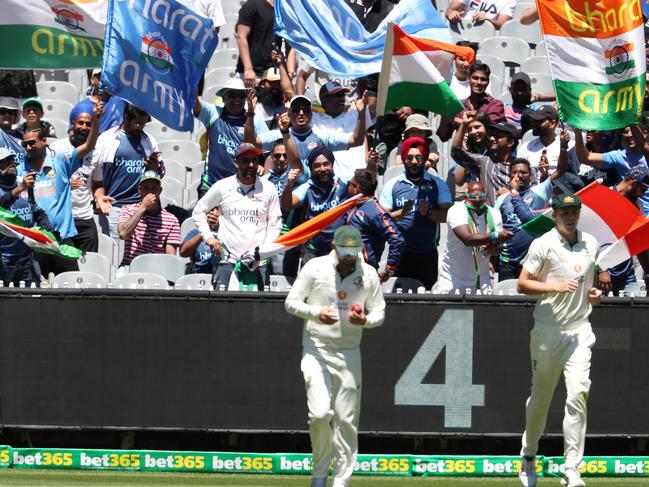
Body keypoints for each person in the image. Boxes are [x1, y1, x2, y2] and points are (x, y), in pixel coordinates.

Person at [285, 225, 385, 487]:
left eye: (354, 251)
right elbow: (291, 302)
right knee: (319, 414)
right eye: (344, 251)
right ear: (334, 247)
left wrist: (364, 320)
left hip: (349, 352)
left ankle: (340, 481)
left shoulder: (369, 273)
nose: (349, 257)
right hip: (316, 348)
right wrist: (317, 314)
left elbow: (379, 313)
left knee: (346, 420)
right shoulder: (315, 268)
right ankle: (319, 475)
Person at [517, 193, 602, 487]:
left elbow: (589, 286)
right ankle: (528, 456)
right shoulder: (543, 244)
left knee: (578, 394)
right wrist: (553, 287)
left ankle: (571, 468)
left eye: (574, 211)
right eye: (564, 211)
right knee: (541, 398)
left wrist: (595, 296)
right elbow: (522, 283)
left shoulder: (590, 243)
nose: (569, 215)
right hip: (547, 330)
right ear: (555, 215)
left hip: (580, 331)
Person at [18, 101, 104, 277]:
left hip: (62, 239)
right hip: (36, 240)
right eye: (25, 144)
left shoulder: (61, 162)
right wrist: (21, 186)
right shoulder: (20, 170)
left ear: (44, 141)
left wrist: (96, 121)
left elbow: (88, 146)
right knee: (37, 291)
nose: (29, 147)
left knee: (70, 288)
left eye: (33, 143)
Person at [192, 142, 282, 289]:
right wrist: (208, 238)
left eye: (254, 160)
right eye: (245, 161)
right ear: (236, 163)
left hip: (258, 262)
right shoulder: (223, 186)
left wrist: (263, 250)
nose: (251, 165)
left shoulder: (269, 188)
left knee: (257, 310)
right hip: (227, 261)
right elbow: (198, 211)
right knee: (223, 309)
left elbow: (275, 223)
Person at [379, 137, 452, 289]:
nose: (413, 162)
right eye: (409, 157)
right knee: (400, 299)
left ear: (425, 158)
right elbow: (382, 219)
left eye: (418, 158)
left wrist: (429, 213)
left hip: (427, 254)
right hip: (400, 253)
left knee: (425, 300)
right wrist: (402, 212)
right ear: (404, 159)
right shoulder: (392, 185)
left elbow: (448, 216)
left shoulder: (438, 184)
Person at [92, 103, 163, 242]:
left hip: (141, 207)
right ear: (126, 118)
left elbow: (161, 172)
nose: (140, 128)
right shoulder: (107, 139)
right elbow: (96, 175)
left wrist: (155, 169)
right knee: (116, 252)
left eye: (143, 124)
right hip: (114, 208)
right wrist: (99, 198)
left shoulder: (149, 140)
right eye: (137, 124)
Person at [495, 146, 568, 280]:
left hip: (535, 261)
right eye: (515, 172)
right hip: (508, 262)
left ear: (531, 175)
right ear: (509, 175)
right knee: (507, 300)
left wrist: (563, 146)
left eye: (523, 172)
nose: (519, 175)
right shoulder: (501, 199)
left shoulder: (540, 190)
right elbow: (497, 227)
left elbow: (560, 170)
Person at [433, 181, 511, 294]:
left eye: (481, 196)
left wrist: (497, 245)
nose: (478, 200)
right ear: (466, 195)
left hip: (482, 281)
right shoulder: (456, 210)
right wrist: (496, 236)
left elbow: (495, 252)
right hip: (453, 280)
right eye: (473, 196)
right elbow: (467, 239)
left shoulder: (494, 214)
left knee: (481, 311)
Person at [194, 77, 270, 192]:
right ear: (224, 98)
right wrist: (193, 75)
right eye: (232, 95)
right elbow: (193, 101)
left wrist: (262, 166)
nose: (237, 99)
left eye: (241, 96)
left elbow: (268, 151)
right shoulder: (213, 113)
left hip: (241, 190)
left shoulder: (255, 120)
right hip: (211, 186)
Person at [281, 146, 353, 262]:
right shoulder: (307, 188)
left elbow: (366, 187)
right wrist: (289, 185)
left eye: (326, 164)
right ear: (311, 169)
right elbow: (286, 206)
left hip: (341, 249)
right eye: (317, 166)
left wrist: (371, 166)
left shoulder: (344, 183)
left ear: (332, 165)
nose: (323, 168)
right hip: (313, 252)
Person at [0, 148, 54, 287]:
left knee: (31, 301)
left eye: (12, 161)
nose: (11, 164)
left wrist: (49, 231)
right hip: (4, 260)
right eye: (5, 162)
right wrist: (21, 188)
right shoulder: (22, 187)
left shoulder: (24, 187)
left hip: (27, 259)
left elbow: (37, 211)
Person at [51, 106, 101, 252]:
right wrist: (65, 185)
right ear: (73, 124)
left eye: (88, 124)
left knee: (90, 264)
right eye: (80, 123)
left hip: (85, 217)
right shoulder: (57, 148)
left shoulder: (97, 153)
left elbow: (98, 184)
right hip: (63, 217)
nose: (84, 127)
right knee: (66, 267)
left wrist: (100, 198)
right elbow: (46, 181)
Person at [345, 167, 405, 281]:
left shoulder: (375, 211)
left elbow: (397, 240)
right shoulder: (352, 205)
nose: (347, 186)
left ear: (357, 188)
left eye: (350, 184)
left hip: (364, 275)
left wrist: (389, 269)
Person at [574, 124, 649, 215]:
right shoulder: (618, 156)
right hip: (628, 211)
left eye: (632, 131)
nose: (628, 135)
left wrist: (633, 121)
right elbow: (586, 158)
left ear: (645, 133)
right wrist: (577, 133)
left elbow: (644, 146)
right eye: (625, 132)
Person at [451, 112, 518, 205]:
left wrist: (512, 194)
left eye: (497, 136)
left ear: (510, 142)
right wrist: (464, 124)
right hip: (489, 217)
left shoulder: (520, 168)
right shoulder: (484, 161)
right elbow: (456, 152)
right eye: (469, 129)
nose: (492, 139)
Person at [117, 170, 181, 267]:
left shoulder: (171, 220)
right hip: (129, 266)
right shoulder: (127, 210)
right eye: (146, 188)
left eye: (154, 188)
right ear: (139, 190)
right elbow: (123, 234)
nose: (150, 192)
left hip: (157, 268)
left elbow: (170, 257)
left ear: (160, 190)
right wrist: (142, 208)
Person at [312, 81, 372, 182]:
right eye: (336, 95)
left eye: (342, 95)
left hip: (358, 181)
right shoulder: (315, 119)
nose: (341, 98)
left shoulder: (356, 114)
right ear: (323, 100)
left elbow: (377, 107)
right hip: (331, 182)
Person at [438, 62, 506, 142]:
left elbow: (490, 130)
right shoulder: (459, 106)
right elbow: (443, 136)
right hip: (462, 153)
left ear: (488, 82)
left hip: (486, 153)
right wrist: (445, 113)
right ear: (468, 78)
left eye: (483, 79)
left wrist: (456, 120)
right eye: (475, 78)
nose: (479, 82)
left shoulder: (495, 105)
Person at [517, 106, 574, 180]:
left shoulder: (570, 146)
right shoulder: (525, 148)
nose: (533, 124)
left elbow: (575, 174)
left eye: (539, 121)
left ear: (552, 123)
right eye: (534, 120)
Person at [236, 0, 277, 87]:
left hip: (273, 77)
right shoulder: (251, 5)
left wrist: (290, 72)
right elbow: (241, 36)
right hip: (250, 76)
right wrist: (248, 69)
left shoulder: (283, 11)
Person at [180, 208, 220, 275]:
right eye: (211, 210)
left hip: (222, 272)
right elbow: (183, 252)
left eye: (217, 210)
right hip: (200, 274)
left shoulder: (228, 233)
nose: (213, 214)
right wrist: (205, 230)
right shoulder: (195, 233)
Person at [445, 0, 514, 30]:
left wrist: (487, 20)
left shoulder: (509, 1)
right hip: (462, 29)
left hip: (484, 34)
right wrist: (452, 14)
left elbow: (502, 24)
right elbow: (450, 9)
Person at [0, 97, 26, 166]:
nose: (7, 115)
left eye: (11, 112)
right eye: (2, 111)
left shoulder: (23, 136)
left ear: (15, 116)